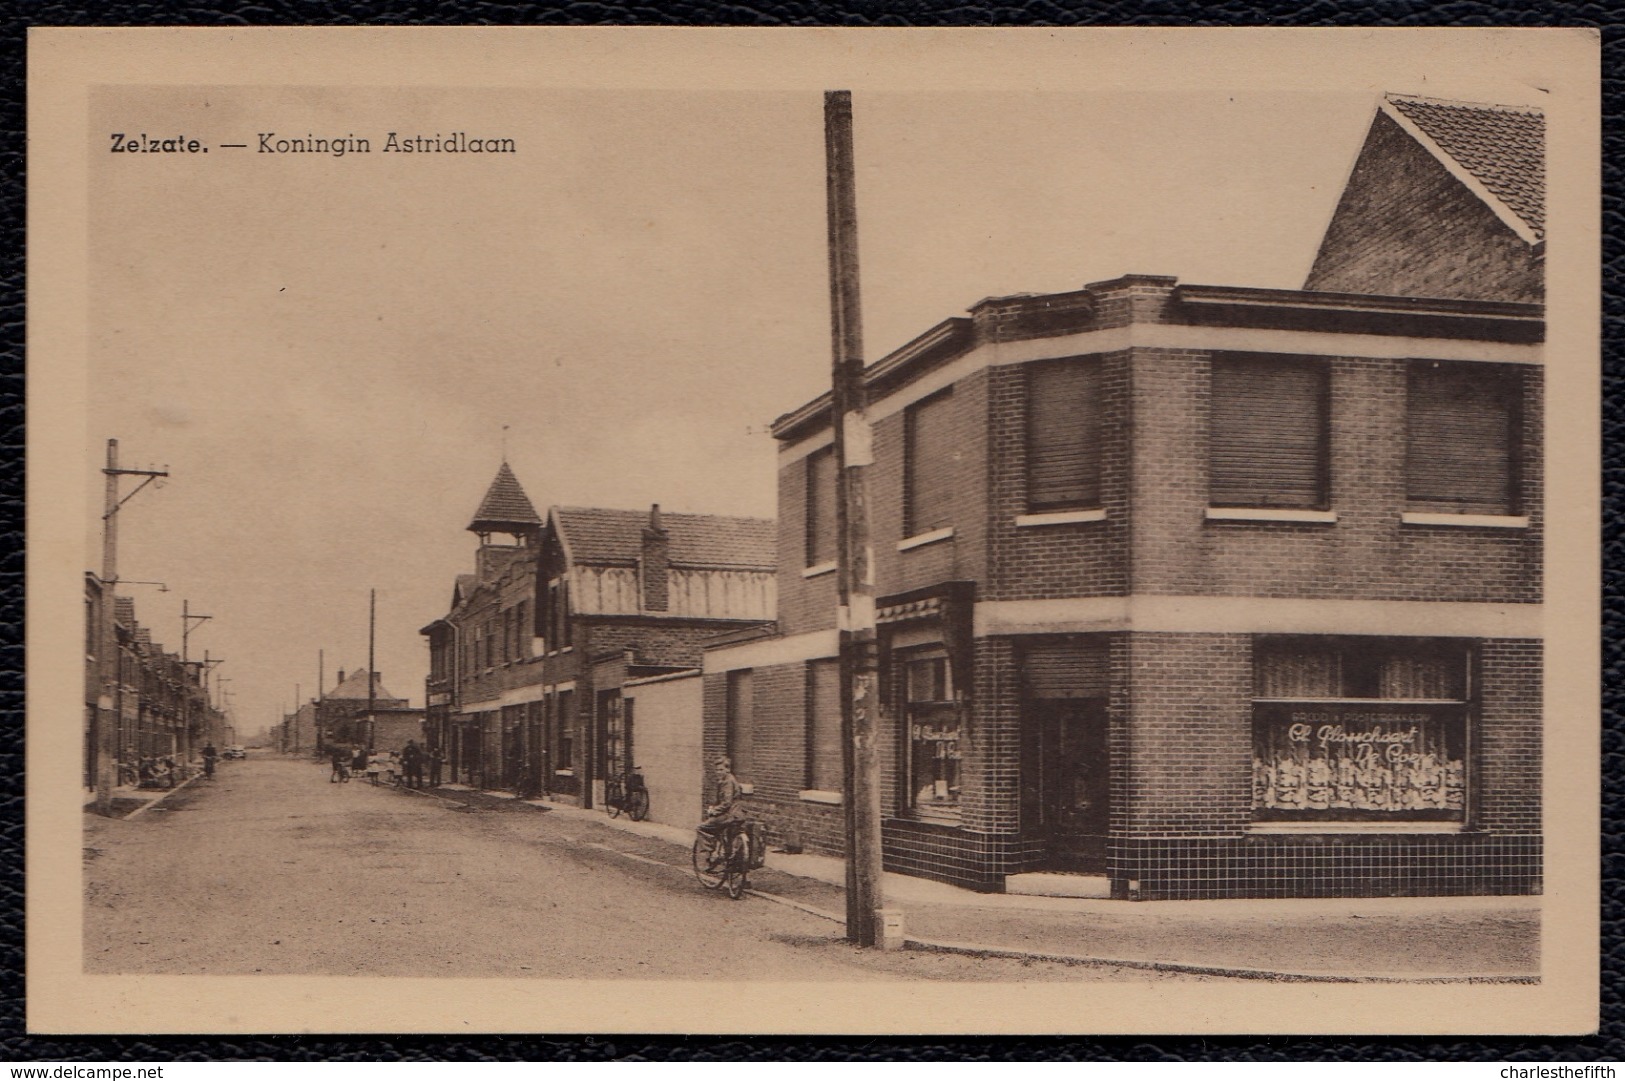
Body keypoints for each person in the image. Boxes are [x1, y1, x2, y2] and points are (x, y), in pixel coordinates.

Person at [695, 756, 745, 847]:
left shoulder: (727, 782)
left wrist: (714, 810)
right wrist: (714, 807)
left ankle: (705, 855)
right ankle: (721, 849)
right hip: (734, 814)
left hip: (729, 815)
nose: (718, 772)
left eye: (721, 770)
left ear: (727, 769)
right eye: (717, 770)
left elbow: (727, 803)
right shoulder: (727, 779)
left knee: (701, 828)